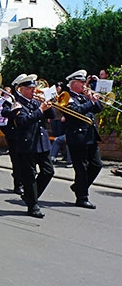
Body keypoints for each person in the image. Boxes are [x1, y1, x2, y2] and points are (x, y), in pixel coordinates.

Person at [12, 74, 55, 218]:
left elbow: (52, 115)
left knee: (48, 171)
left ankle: (30, 196)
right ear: (22, 89)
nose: (33, 91)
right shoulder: (17, 104)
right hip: (27, 144)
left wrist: (48, 104)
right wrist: (41, 110)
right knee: (29, 176)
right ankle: (33, 205)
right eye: (30, 88)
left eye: (34, 88)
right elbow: (23, 121)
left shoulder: (37, 102)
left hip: (41, 143)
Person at [64, 69, 103, 209]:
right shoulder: (66, 97)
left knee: (97, 165)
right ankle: (82, 198)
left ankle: (79, 187)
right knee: (81, 168)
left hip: (90, 136)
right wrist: (90, 102)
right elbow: (75, 112)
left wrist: (94, 99)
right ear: (73, 84)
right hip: (77, 137)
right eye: (81, 83)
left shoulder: (85, 96)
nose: (84, 85)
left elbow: (99, 109)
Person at [0, 80, 24, 195]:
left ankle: (25, 182)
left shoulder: (31, 98)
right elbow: (4, 112)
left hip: (27, 134)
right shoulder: (11, 99)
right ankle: (18, 184)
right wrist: (15, 111)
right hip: (14, 133)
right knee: (17, 160)